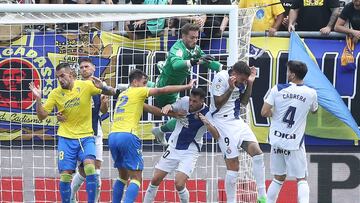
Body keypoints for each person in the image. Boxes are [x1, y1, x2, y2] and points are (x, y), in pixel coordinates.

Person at [29, 62, 116, 203]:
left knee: (91, 170)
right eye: (57, 77)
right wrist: (38, 100)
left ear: (71, 75)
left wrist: (103, 87)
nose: (60, 79)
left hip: (86, 136)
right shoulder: (56, 93)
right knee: (65, 176)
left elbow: (112, 92)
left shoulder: (86, 86)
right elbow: (42, 116)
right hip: (66, 138)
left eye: (62, 76)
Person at [108, 69, 196, 203]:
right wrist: (187, 86)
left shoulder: (124, 95)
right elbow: (163, 90)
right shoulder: (138, 91)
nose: (146, 86)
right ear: (135, 82)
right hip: (128, 136)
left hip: (113, 136)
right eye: (144, 82)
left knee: (122, 176)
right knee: (137, 178)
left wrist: (172, 114)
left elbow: (149, 108)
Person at [151, 23, 225, 146]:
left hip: (172, 88)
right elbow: (176, 65)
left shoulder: (195, 49)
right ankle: (160, 130)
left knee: (147, 88)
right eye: (192, 37)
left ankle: (124, 88)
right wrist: (195, 61)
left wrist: (224, 68)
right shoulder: (177, 48)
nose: (195, 40)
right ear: (183, 36)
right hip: (165, 90)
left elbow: (206, 61)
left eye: (196, 37)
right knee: (185, 117)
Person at [143, 88, 220, 203]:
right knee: (155, 179)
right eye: (191, 100)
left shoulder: (208, 113)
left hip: (190, 150)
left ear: (202, 101)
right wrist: (169, 107)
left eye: (195, 101)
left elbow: (216, 136)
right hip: (174, 146)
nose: (191, 103)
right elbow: (171, 108)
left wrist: (207, 123)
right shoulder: (184, 101)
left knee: (179, 184)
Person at [261, 60, 318, 203]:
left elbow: (264, 112)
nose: (286, 73)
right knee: (301, 179)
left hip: (277, 140)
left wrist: (275, 114)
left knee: (278, 178)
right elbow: (314, 111)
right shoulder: (311, 93)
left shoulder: (278, 89)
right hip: (294, 142)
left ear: (292, 75)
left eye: (288, 71)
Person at [209, 61, 266, 203]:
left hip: (236, 121)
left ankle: (263, 196)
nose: (243, 83)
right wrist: (230, 88)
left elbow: (244, 103)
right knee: (234, 165)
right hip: (221, 122)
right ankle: (232, 201)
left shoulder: (244, 81)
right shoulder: (221, 78)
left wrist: (250, 83)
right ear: (235, 73)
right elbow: (217, 103)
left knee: (258, 153)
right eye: (243, 80)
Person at [56, 58, 109, 203]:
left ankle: (89, 199)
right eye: (81, 67)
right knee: (82, 171)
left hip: (94, 132)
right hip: (75, 134)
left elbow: (104, 111)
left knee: (93, 171)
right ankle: (71, 197)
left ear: (93, 68)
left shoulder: (99, 85)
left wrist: (104, 103)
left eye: (86, 66)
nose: (83, 69)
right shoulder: (74, 87)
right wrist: (59, 116)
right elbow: (62, 109)